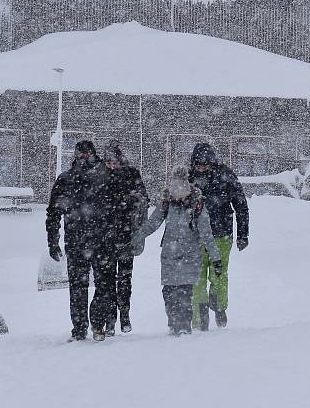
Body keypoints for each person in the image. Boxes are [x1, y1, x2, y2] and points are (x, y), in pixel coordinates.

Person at [133, 166, 221, 336]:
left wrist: (215, 257)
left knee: (184, 294)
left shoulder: (197, 204)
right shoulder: (166, 202)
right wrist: (135, 239)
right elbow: (152, 223)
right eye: (174, 188)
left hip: (190, 256)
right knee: (168, 292)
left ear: (188, 186)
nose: (178, 192)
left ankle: (183, 326)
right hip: (169, 256)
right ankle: (173, 323)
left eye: (182, 187)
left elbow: (206, 233)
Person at [46, 140, 115, 342]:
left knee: (103, 286)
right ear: (75, 156)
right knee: (78, 287)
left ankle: (97, 323)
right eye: (80, 155)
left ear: (94, 155)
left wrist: (118, 236)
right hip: (76, 241)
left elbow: (119, 208)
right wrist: (53, 241)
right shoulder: (66, 179)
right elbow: (53, 213)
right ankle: (79, 328)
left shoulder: (106, 178)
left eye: (87, 155)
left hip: (102, 241)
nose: (84, 158)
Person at [188, 143, 249, 330]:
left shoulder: (226, 176)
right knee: (197, 277)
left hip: (221, 234)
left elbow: (241, 205)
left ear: (212, 162)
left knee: (219, 274)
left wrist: (243, 234)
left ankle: (219, 306)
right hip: (195, 236)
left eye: (205, 164)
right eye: (198, 164)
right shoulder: (189, 178)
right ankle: (199, 315)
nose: (201, 168)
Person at [103, 140, 149, 335]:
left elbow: (144, 198)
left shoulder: (132, 174)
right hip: (105, 237)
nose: (112, 166)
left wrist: (129, 201)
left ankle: (124, 313)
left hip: (126, 235)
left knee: (124, 278)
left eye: (115, 162)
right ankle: (110, 318)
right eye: (109, 162)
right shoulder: (100, 176)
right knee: (106, 279)